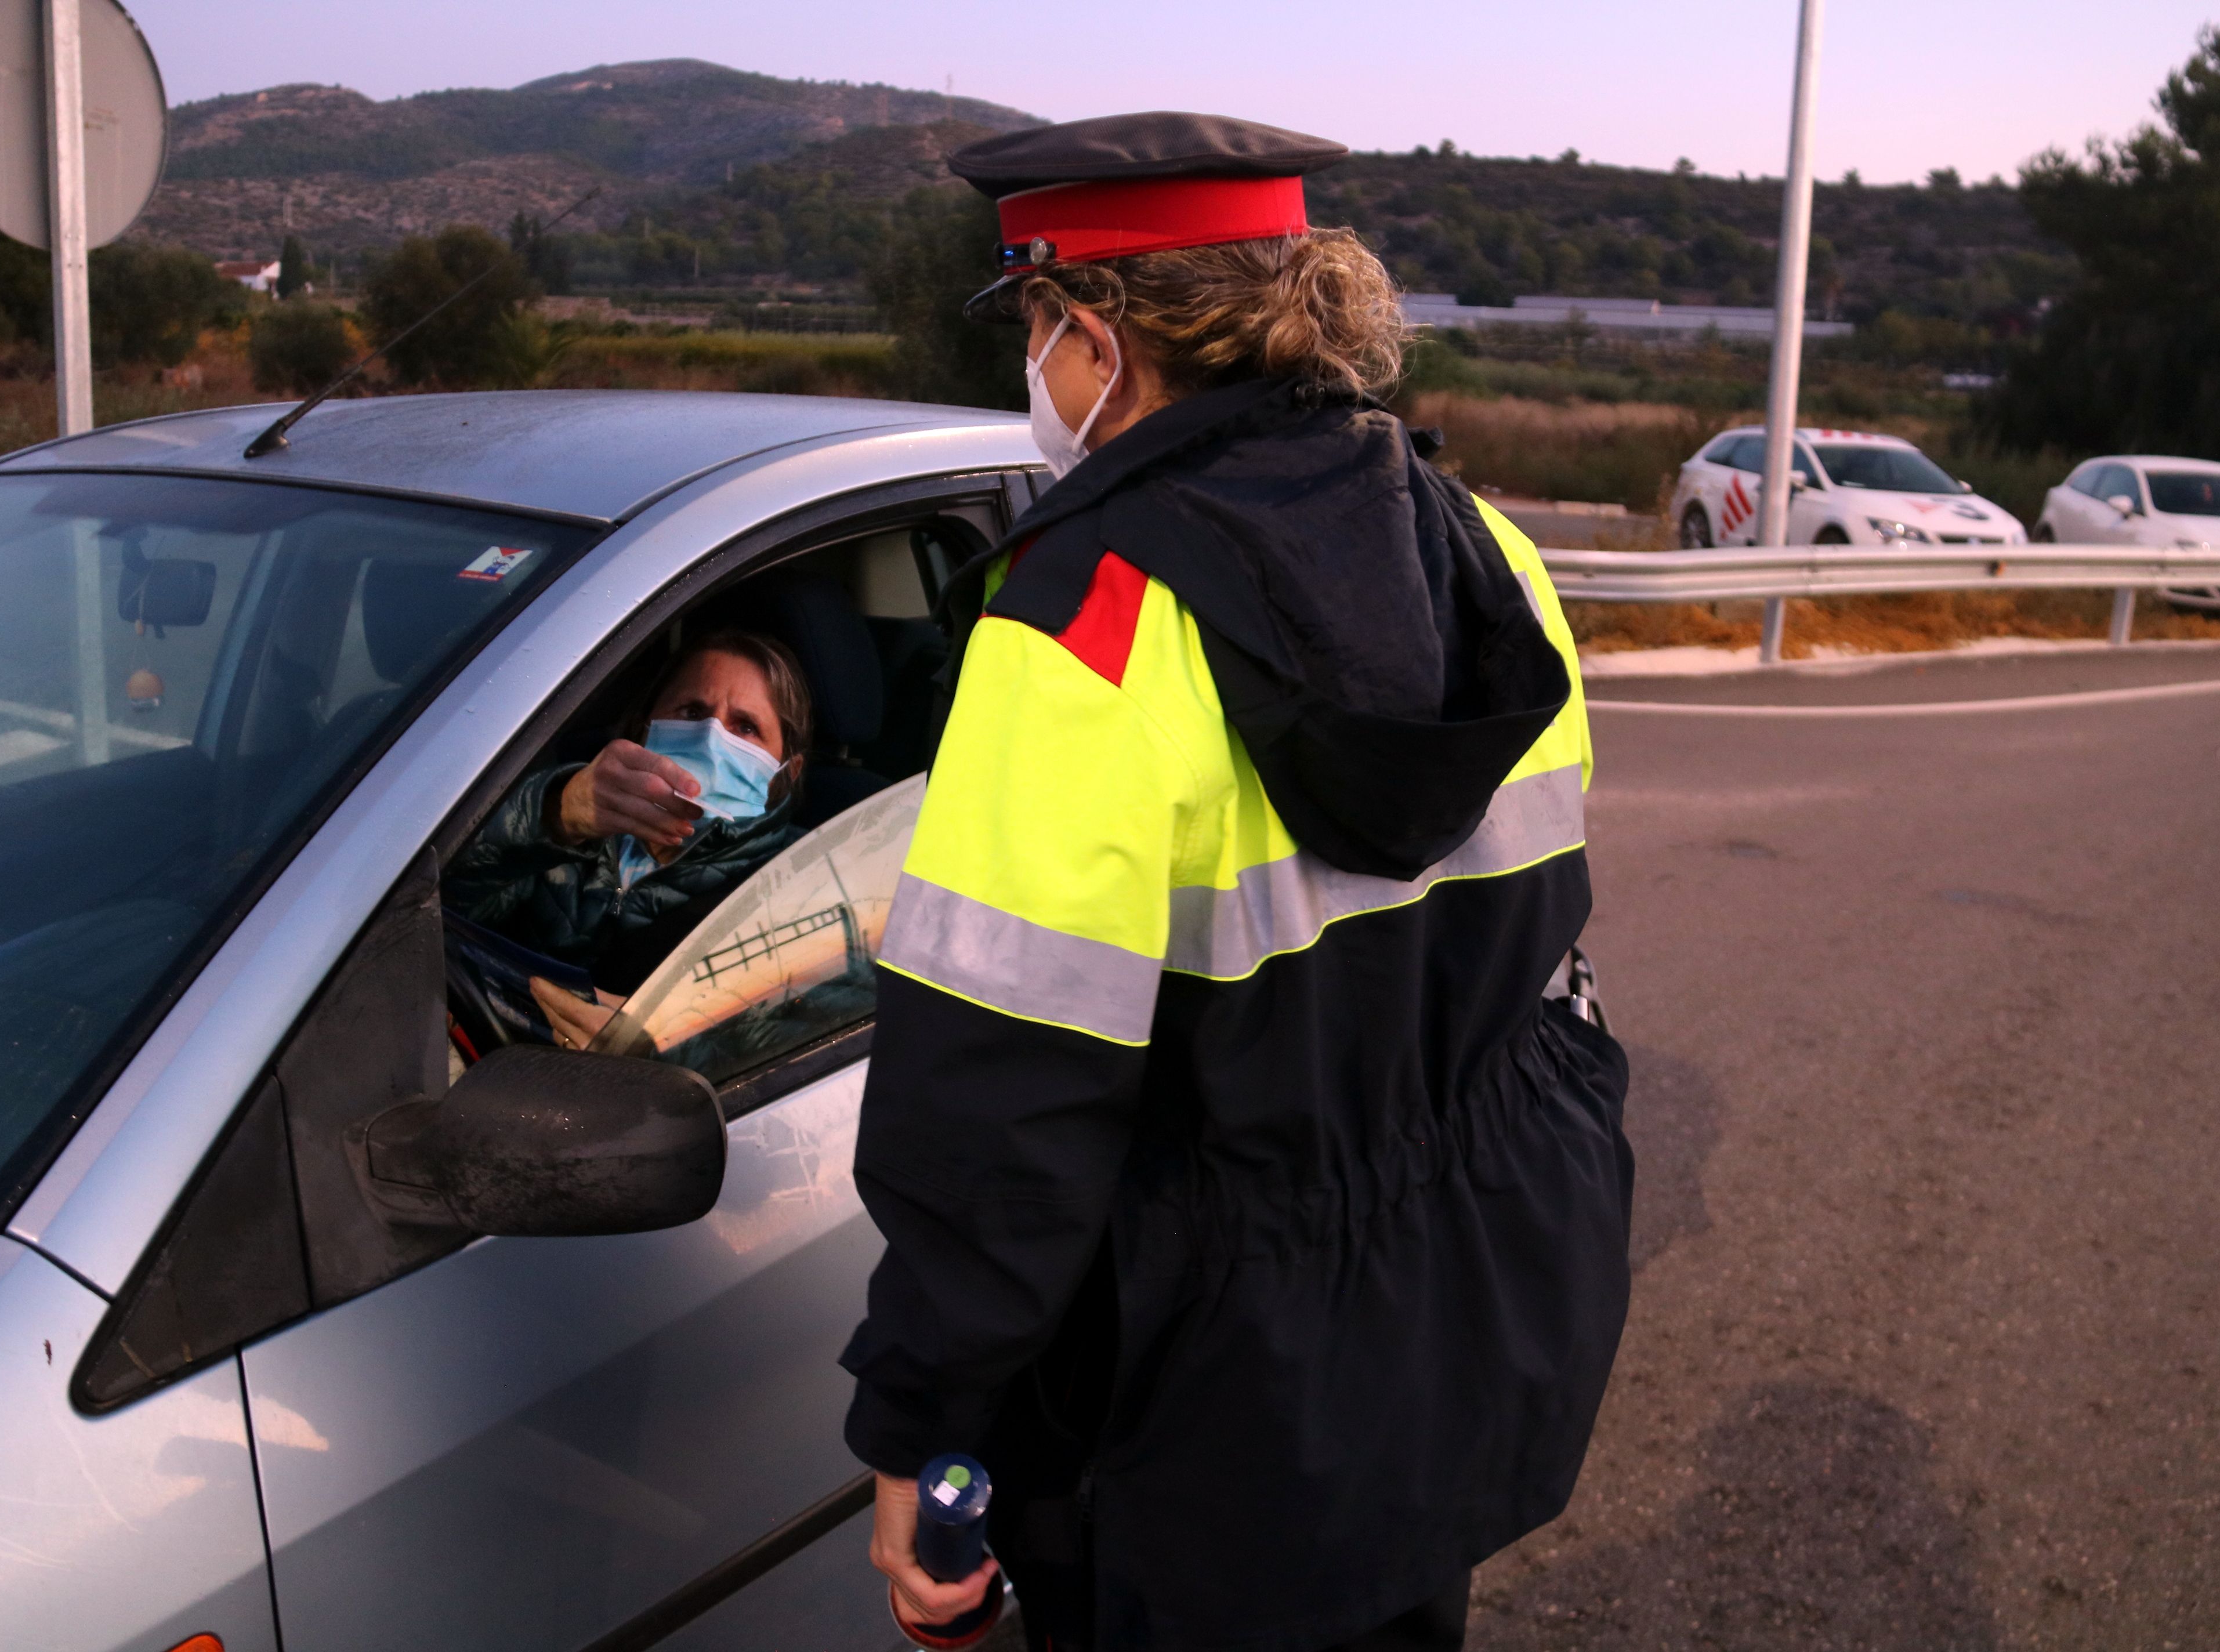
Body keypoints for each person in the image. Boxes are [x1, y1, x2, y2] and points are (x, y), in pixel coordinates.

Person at [839, 113, 1632, 1652]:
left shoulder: (1088, 626)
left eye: (1035, 327)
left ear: (1099, 338)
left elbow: (1001, 1106)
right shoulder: (1489, 558)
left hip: (1198, 1422)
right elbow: (1542, 962)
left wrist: (919, 1440)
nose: (1038, 368)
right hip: (1450, 1344)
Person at [443, 629, 810, 1049]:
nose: (711, 737)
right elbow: (429, 903)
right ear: (647, 725)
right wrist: (552, 816)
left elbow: (810, 1036)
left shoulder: (803, 881)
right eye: (693, 712)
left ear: (788, 770)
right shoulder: (572, 832)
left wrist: (662, 1045)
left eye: (745, 727)